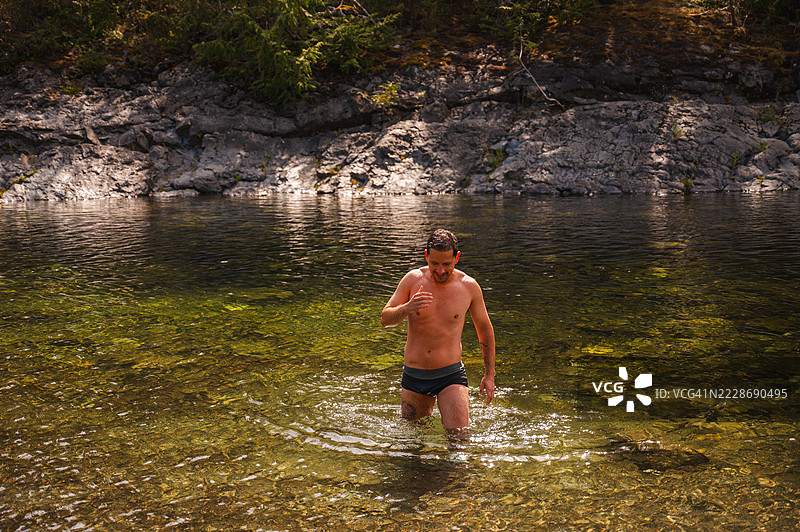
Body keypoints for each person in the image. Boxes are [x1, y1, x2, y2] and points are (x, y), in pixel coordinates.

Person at [381, 229, 495, 433]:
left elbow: (484, 330)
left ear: (456, 258)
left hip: (449, 375)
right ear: (426, 256)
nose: (440, 271)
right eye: (434, 263)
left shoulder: (469, 287)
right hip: (415, 375)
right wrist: (407, 308)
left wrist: (489, 374)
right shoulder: (412, 280)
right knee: (412, 445)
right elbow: (385, 319)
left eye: (446, 264)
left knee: (459, 439)